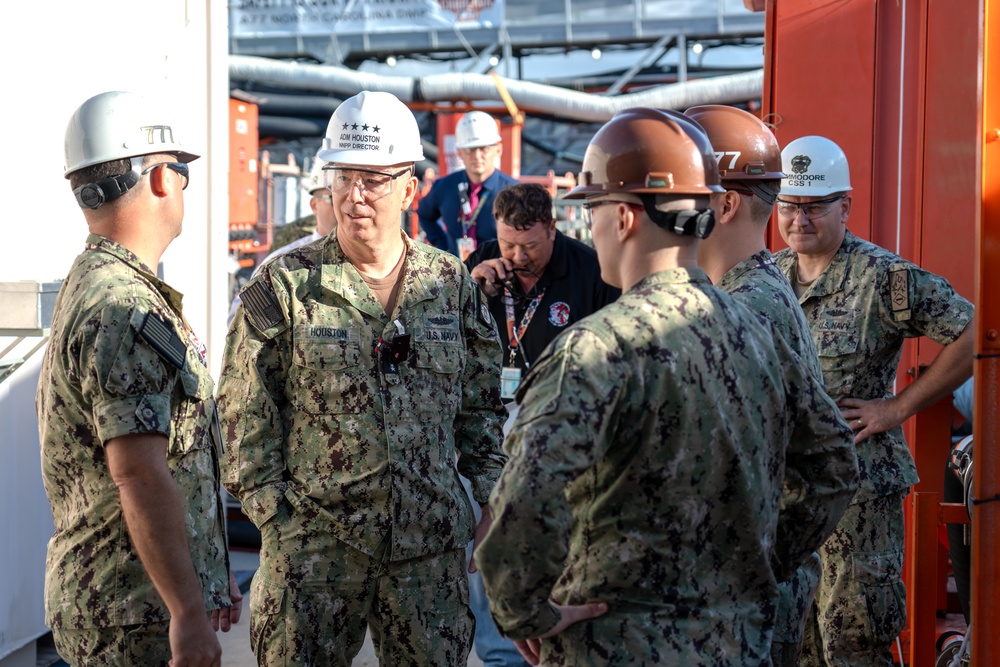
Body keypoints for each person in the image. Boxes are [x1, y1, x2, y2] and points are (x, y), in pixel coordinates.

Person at [476, 107, 859, 667]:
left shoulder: (594, 350)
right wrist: (758, 566)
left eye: (595, 209)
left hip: (615, 644)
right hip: (735, 641)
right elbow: (834, 465)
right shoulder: (757, 331)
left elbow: (522, 510)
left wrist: (524, 613)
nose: (592, 228)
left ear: (626, 218)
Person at [217, 90, 508, 666]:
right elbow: (241, 416)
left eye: (373, 179)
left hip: (428, 554)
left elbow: (482, 409)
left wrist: (491, 502)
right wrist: (280, 522)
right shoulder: (284, 284)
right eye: (343, 175)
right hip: (314, 555)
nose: (354, 195)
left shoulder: (447, 284)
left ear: (409, 188)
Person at [36, 90, 240, 666]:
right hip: (134, 615)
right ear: (156, 179)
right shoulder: (125, 308)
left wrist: (204, 577)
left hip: (122, 600)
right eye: (180, 173)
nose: (181, 188)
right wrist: (188, 614)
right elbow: (139, 476)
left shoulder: (97, 282)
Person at [773, 135, 976, 667]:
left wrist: (897, 408)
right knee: (794, 647)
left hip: (857, 501)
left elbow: (973, 332)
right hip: (787, 498)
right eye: (789, 205)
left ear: (845, 205)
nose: (800, 219)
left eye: (814, 206)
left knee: (853, 648)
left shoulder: (882, 277)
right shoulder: (765, 279)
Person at [684, 104, 833, 667]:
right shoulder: (755, 292)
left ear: (723, 205)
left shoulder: (744, 310)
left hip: (741, 597)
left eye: (678, 196)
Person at [463, 182, 619, 666]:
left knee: (549, 536)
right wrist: (471, 287)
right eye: (508, 243)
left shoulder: (590, 269)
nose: (517, 255)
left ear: (553, 229)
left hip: (559, 427)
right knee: (484, 543)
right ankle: (498, 653)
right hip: (489, 424)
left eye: (529, 245)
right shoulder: (480, 265)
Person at [227, 155, 337, 324]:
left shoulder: (384, 263)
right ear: (314, 205)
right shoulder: (280, 267)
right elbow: (243, 329)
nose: (346, 203)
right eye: (332, 197)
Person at [418, 110, 518, 259]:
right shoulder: (444, 187)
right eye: (470, 149)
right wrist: (443, 246)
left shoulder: (513, 192)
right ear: (459, 152)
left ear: (498, 150)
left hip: (499, 276)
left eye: (484, 148)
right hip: (457, 275)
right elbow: (424, 214)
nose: (477, 156)